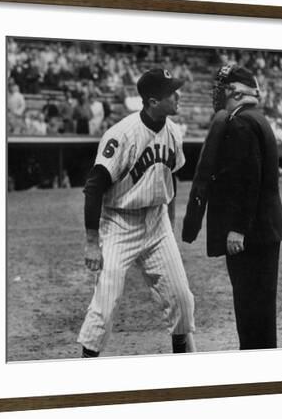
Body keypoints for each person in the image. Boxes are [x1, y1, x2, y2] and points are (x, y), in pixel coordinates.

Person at [78, 68, 196, 358]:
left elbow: (171, 178)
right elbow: (93, 187)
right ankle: (85, 364)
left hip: (157, 223)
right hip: (120, 223)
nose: (178, 96)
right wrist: (92, 242)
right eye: (172, 93)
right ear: (153, 101)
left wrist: (169, 222)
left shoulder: (173, 132)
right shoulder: (122, 135)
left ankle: (182, 357)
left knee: (181, 297)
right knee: (105, 302)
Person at [182, 65, 282, 350]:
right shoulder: (257, 119)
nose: (219, 95)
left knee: (251, 310)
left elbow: (248, 180)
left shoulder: (240, 123)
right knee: (260, 310)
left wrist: (238, 229)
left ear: (236, 92)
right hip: (264, 231)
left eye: (223, 88)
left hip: (251, 235)